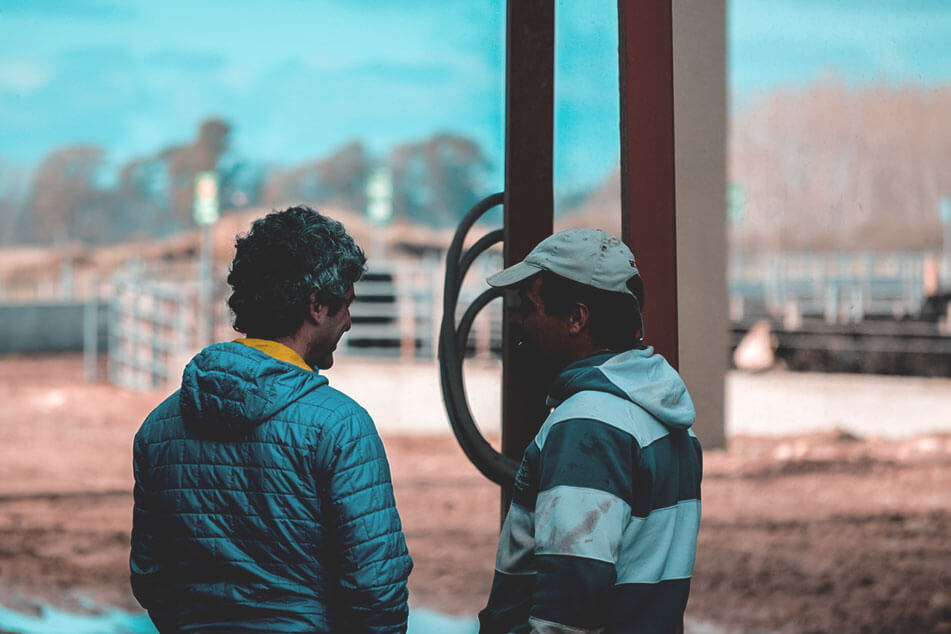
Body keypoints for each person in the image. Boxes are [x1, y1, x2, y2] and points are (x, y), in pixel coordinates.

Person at [130, 206, 412, 633]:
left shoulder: (159, 428)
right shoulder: (341, 429)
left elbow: (150, 577)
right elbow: (377, 592)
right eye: (345, 307)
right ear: (316, 305)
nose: (350, 322)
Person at [478, 228, 703, 634]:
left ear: (577, 318)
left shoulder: (588, 422)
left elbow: (570, 597)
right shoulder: (666, 417)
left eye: (530, 306)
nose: (518, 319)